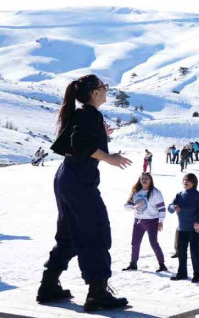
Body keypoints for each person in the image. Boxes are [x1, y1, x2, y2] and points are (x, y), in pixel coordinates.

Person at [39, 74, 131, 311]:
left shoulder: (83, 114)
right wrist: (108, 157)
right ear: (95, 93)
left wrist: (101, 138)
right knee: (96, 230)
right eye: (104, 86)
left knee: (69, 231)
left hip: (66, 177)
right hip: (79, 179)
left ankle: (49, 285)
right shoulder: (90, 114)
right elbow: (79, 143)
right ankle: (96, 292)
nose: (107, 90)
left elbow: (71, 143)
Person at [168, 173, 199, 283]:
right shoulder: (179, 195)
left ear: (194, 182)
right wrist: (174, 206)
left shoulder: (197, 195)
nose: (185, 182)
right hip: (182, 228)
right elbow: (169, 207)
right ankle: (182, 273)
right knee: (181, 250)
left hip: (195, 228)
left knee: (194, 250)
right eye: (184, 180)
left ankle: (197, 274)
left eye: (188, 180)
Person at [122, 173, 167, 272]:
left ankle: (162, 264)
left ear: (151, 180)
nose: (144, 180)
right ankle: (133, 264)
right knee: (135, 243)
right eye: (142, 179)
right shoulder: (135, 192)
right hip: (138, 221)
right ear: (140, 180)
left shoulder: (155, 192)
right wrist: (133, 207)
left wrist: (160, 221)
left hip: (152, 221)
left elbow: (162, 208)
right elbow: (126, 206)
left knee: (153, 243)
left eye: (146, 179)